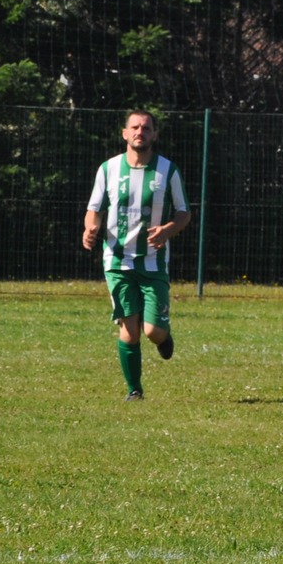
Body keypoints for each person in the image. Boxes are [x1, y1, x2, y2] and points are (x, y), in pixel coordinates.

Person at [83, 111, 191, 400]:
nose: (140, 131)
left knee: (152, 331)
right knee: (129, 332)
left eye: (146, 128)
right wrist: (90, 229)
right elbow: (94, 209)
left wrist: (168, 230)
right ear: (124, 133)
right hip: (117, 262)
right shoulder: (108, 169)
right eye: (135, 127)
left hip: (153, 262)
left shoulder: (168, 171)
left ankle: (164, 337)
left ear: (154, 134)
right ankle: (135, 390)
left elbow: (183, 213)